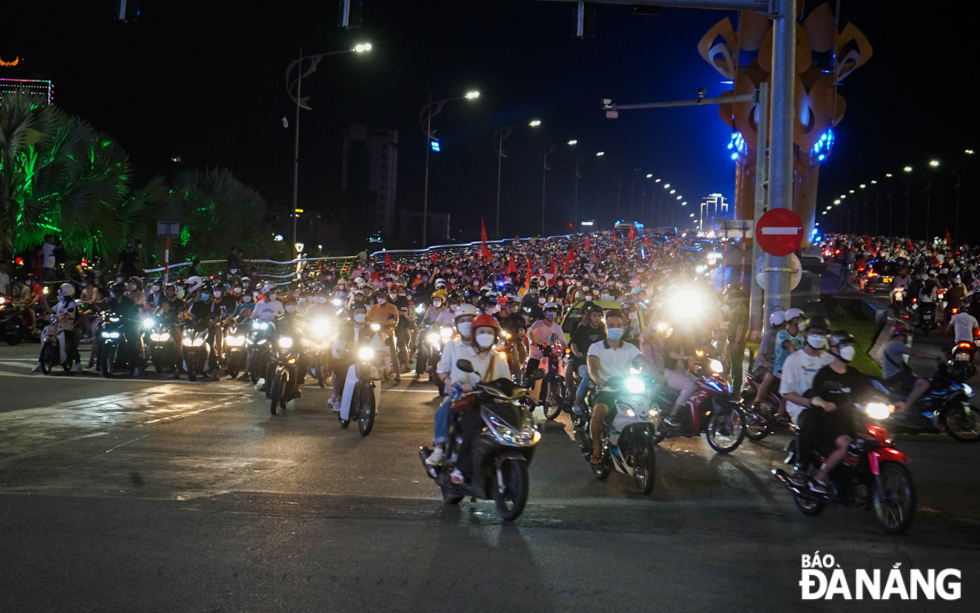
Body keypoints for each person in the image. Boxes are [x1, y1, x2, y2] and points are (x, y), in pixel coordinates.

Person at [803, 330, 874, 494]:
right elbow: (814, 396)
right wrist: (823, 402)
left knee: (872, 440)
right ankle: (818, 478)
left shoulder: (854, 374)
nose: (850, 349)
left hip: (849, 419)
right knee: (844, 443)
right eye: (846, 345)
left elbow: (870, 389)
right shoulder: (824, 374)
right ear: (834, 349)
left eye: (850, 345)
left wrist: (892, 401)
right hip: (827, 420)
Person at [447, 314, 513, 484]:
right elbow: (458, 382)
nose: (485, 335)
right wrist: (471, 386)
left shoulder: (498, 359)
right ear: (474, 334)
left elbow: (507, 384)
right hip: (471, 404)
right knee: (475, 430)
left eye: (489, 332)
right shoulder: (464, 356)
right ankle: (460, 469)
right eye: (482, 331)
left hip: (495, 406)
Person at [587, 309, 656, 462]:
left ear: (623, 327)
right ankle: (596, 448)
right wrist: (598, 379)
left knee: (649, 412)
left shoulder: (630, 348)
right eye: (611, 325)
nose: (615, 328)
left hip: (627, 390)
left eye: (619, 325)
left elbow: (643, 363)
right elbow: (592, 367)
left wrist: (657, 375)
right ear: (605, 329)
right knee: (599, 412)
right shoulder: (596, 347)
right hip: (605, 390)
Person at [778, 316, 834, 483]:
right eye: (814, 333)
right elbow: (786, 393)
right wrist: (809, 403)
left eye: (822, 334)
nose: (818, 337)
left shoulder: (830, 360)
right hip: (801, 407)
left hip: (826, 405)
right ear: (806, 334)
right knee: (810, 422)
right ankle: (801, 467)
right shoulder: (794, 360)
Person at [425, 304, 480, 470]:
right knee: (443, 411)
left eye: (470, 320)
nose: (466, 324)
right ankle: (439, 448)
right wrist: (450, 384)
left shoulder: (485, 345)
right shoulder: (451, 346)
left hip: (483, 392)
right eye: (462, 321)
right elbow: (442, 371)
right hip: (459, 394)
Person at [882, 323, 942, 412]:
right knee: (924, 383)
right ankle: (905, 407)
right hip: (894, 376)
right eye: (905, 333)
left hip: (896, 375)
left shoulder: (893, 345)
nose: (907, 336)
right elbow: (915, 353)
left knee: (925, 379)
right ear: (900, 333)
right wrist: (935, 357)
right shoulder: (895, 344)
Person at [33, 283, 82, 373]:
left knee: (71, 345)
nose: (59, 291)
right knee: (47, 338)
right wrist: (44, 300)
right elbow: (51, 310)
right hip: (57, 326)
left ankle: (79, 364)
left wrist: (61, 315)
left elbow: (68, 313)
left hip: (67, 327)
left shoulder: (71, 303)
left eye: (61, 289)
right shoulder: (60, 303)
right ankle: (40, 363)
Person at [567, 302, 606, 416]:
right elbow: (573, 343)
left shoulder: (603, 330)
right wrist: (577, 353)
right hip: (583, 362)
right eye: (594, 315)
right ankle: (577, 402)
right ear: (589, 316)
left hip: (600, 362)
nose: (597, 318)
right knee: (589, 374)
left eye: (599, 316)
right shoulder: (582, 328)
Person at [661, 323, 699, 429]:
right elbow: (671, 354)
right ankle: (672, 415)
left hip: (682, 373)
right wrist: (686, 357)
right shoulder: (671, 339)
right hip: (671, 374)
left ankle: (688, 411)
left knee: (698, 381)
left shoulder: (685, 341)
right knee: (690, 386)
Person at [524, 301, 564, 400]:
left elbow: (562, 341)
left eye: (554, 311)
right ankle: (524, 393)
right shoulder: (538, 324)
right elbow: (530, 334)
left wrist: (566, 348)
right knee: (530, 375)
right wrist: (533, 342)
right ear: (544, 312)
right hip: (537, 354)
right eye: (549, 310)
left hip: (550, 356)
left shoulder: (557, 328)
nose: (552, 313)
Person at [751, 310, 785, 408]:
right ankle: (757, 402)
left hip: (776, 366)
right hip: (762, 366)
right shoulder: (769, 335)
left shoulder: (783, 336)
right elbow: (761, 354)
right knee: (769, 376)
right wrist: (766, 365)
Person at [367, 291, 402, 382]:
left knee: (392, 353)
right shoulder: (373, 308)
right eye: (378, 297)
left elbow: (395, 320)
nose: (380, 299)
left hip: (388, 332)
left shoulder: (392, 307)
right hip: (375, 333)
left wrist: (391, 323)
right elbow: (367, 318)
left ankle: (397, 374)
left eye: (382, 297)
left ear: (386, 298)